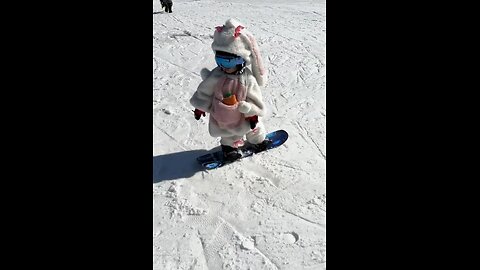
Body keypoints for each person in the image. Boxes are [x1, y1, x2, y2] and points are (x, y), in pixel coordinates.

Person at [190, 18, 269, 161]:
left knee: (254, 128)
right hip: (223, 114)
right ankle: (229, 148)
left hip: (244, 114)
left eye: (228, 61)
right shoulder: (216, 76)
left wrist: (252, 111)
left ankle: (258, 141)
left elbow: (254, 97)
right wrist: (200, 107)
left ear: (242, 61)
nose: (224, 66)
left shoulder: (247, 79)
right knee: (227, 133)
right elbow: (205, 92)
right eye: (219, 60)